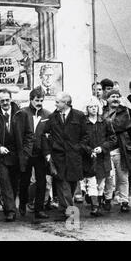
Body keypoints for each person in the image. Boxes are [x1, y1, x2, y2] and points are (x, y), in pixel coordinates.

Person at [0, 88, 33, 222]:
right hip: (1, 156)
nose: (5, 103)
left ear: (11, 99)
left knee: (15, 183)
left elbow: (29, 135)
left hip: (18, 155)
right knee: (5, 182)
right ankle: (10, 211)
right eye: (2, 100)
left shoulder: (21, 114)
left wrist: (26, 152)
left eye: (7, 100)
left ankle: (10, 205)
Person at [42, 92, 89, 220]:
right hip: (59, 157)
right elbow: (45, 135)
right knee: (63, 184)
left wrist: (79, 147)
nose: (55, 104)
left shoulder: (79, 115)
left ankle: (64, 209)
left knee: (72, 184)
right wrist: (48, 153)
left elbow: (85, 135)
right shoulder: (53, 117)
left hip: (74, 157)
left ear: (66, 103)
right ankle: (71, 213)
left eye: (58, 102)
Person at [19, 88, 50, 219]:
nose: (39, 103)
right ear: (31, 99)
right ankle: (22, 204)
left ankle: (39, 209)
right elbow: (19, 133)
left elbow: (49, 134)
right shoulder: (23, 113)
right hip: (26, 153)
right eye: (37, 100)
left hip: (40, 153)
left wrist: (47, 152)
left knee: (41, 181)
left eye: (41, 100)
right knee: (24, 181)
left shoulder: (47, 115)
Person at [83, 97, 117, 216]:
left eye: (95, 107)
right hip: (89, 157)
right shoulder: (84, 123)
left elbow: (113, 139)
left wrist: (102, 148)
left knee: (101, 182)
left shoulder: (105, 122)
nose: (94, 109)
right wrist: (88, 150)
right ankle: (95, 206)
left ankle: (99, 201)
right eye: (91, 107)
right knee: (91, 182)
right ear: (87, 108)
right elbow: (81, 140)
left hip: (103, 157)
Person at [102, 89, 131, 212]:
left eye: (117, 96)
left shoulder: (125, 111)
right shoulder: (102, 111)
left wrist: (106, 124)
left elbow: (121, 126)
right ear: (107, 99)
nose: (115, 98)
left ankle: (124, 201)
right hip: (107, 148)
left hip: (121, 148)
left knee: (122, 176)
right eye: (112, 96)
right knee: (108, 176)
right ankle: (108, 198)